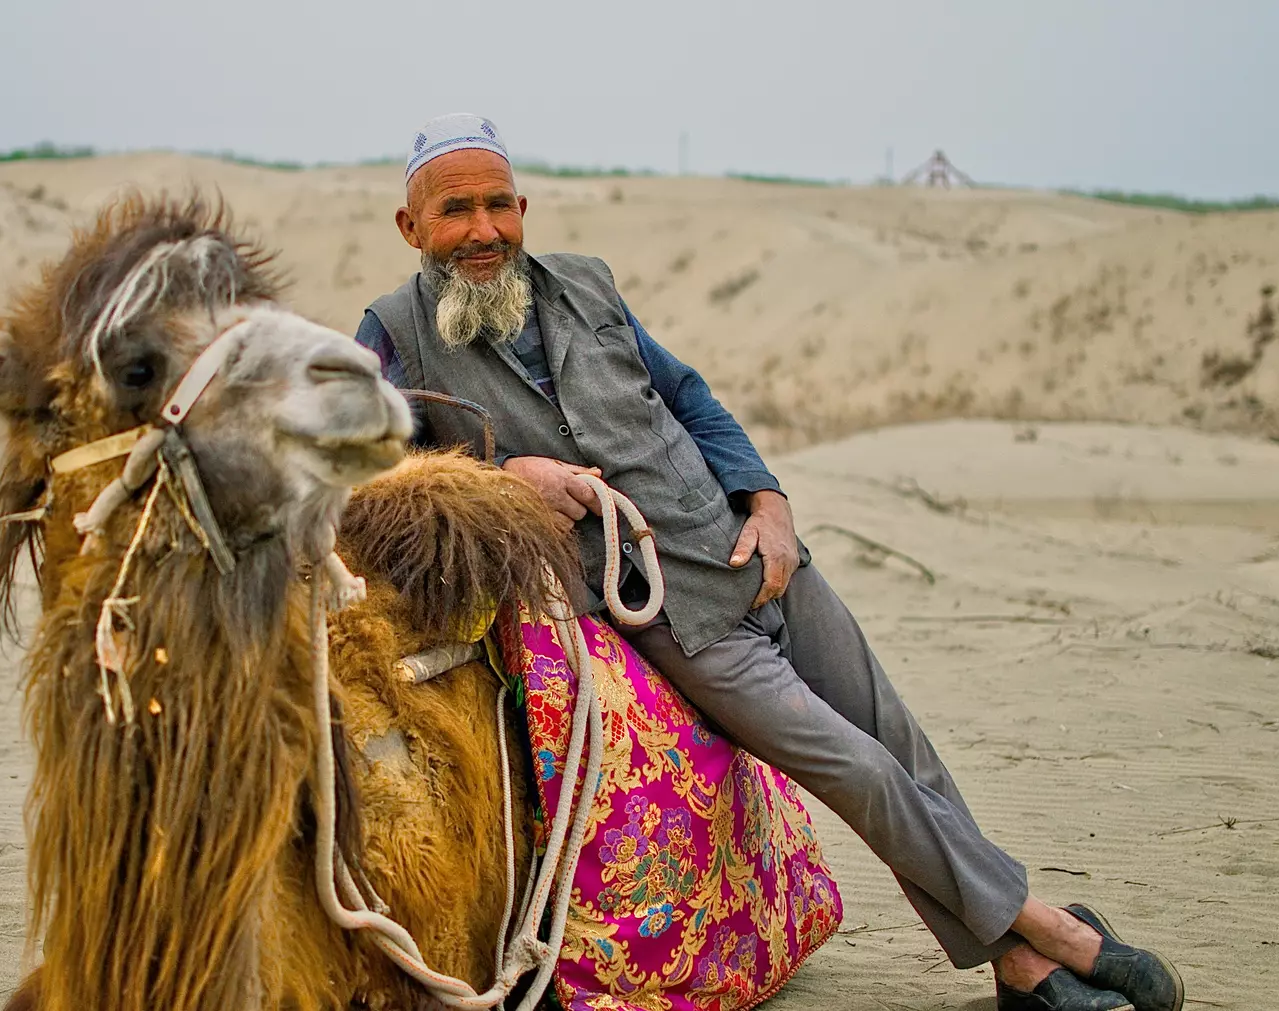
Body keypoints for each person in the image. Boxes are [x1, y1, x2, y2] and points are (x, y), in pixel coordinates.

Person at [354, 114, 1185, 1011]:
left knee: (904, 749)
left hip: (759, 558)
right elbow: (363, 474)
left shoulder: (585, 285)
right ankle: (1060, 932)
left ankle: (1018, 967)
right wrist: (498, 480)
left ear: (523, 209)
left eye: (497, 207)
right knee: (857, 770)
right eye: (454, 211)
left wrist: (770, 499)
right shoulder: (392, 333)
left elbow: (688, 396)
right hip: (666, 612)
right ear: (412, 228)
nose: (482, 232)